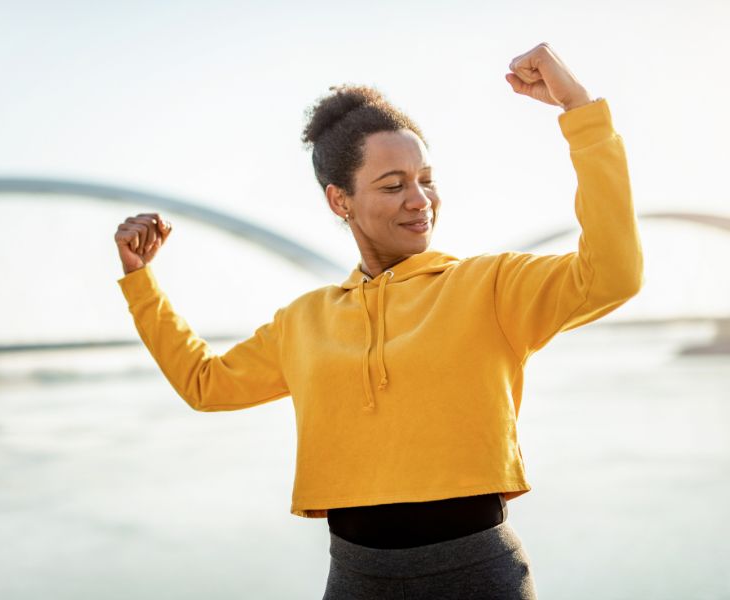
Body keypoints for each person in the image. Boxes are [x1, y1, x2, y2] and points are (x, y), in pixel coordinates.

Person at [113, 42, 643, 600]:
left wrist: (578, 109)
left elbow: (612, 274)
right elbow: (206, 385)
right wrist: (139, 281)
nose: (420, 200)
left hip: (479, 577)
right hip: (356, 580)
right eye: (393, 185)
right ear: (339, 201)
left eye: (426, 179)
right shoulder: (304, 321)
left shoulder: (489, 287)